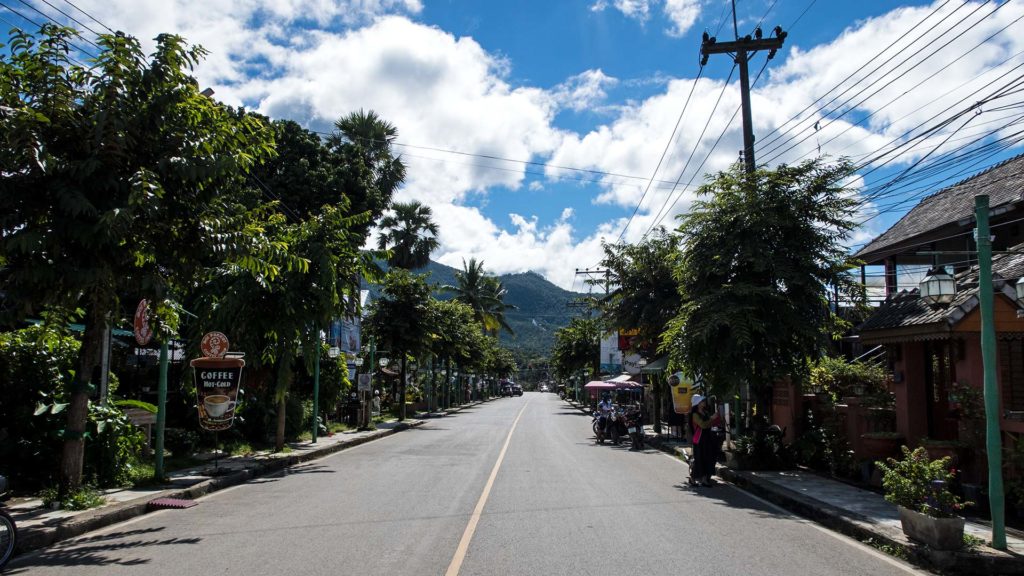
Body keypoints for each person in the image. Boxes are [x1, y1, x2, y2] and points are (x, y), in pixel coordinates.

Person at [688, 394, 717, 487]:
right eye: (702, 401)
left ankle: (705, 479)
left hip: (707, 438)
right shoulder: (695, 415)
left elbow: (709, 424)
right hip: (699, 439)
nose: (704, 402)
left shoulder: (705, 412)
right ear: (697, 403)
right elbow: (703, 425)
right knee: (699, 459)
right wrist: (711, 419)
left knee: (708, 458)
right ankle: (693, 478)